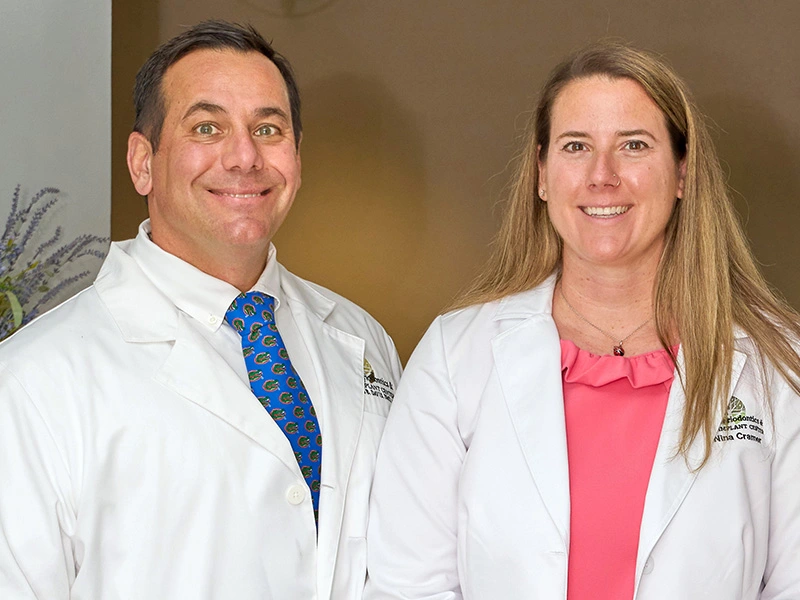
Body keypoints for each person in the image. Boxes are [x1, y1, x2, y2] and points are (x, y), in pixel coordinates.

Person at [365, 42, 800, 600]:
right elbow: (407, 586)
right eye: (576, 146)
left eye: (634, 146)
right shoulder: (456, 356)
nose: (603, 176)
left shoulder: (777, 366)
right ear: (543, 176)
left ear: (683, 174)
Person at [0, 20, 401, 599]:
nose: (244, 157)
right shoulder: (31, 383)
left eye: (268, 128)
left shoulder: (362, 339)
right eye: (207, 127)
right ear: (143, 163)